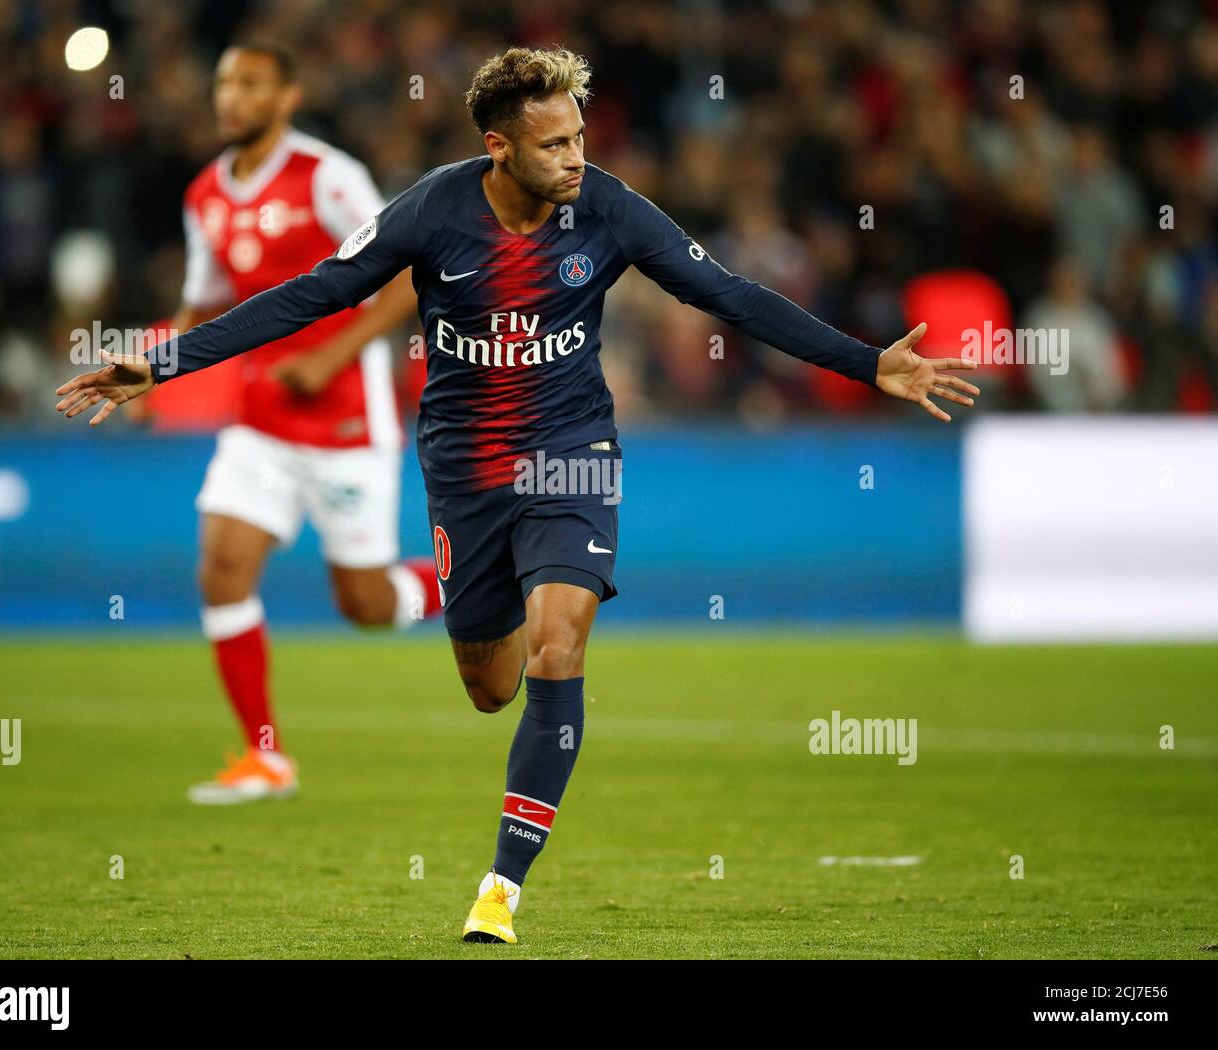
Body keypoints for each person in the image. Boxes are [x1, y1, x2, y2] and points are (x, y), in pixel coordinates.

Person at [56, 46, 978, 940]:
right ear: (499, 147)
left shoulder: (608, 209)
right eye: (556, 144)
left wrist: (867, 365)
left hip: (573, 452)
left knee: (557, 646)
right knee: (490, 685)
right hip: (463, 469)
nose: (578, 157)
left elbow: (725, 292)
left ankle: (501, 886)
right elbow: (314, 294)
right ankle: (438, 604)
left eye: (580, 136)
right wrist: (166, 364)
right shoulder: (433, 212)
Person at [152, 41, 441, 805]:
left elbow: (409, 269)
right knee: (221, 566)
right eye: (222, 83)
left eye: (250, 83)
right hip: (259, 420)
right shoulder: (203, 196)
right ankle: (264, 755)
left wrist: (329, 358)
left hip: (346, 417)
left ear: (287, 96)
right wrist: (153, 368)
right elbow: (206, 299)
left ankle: (472, 579)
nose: (230, 97)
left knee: (367, 607)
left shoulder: (328, 176)